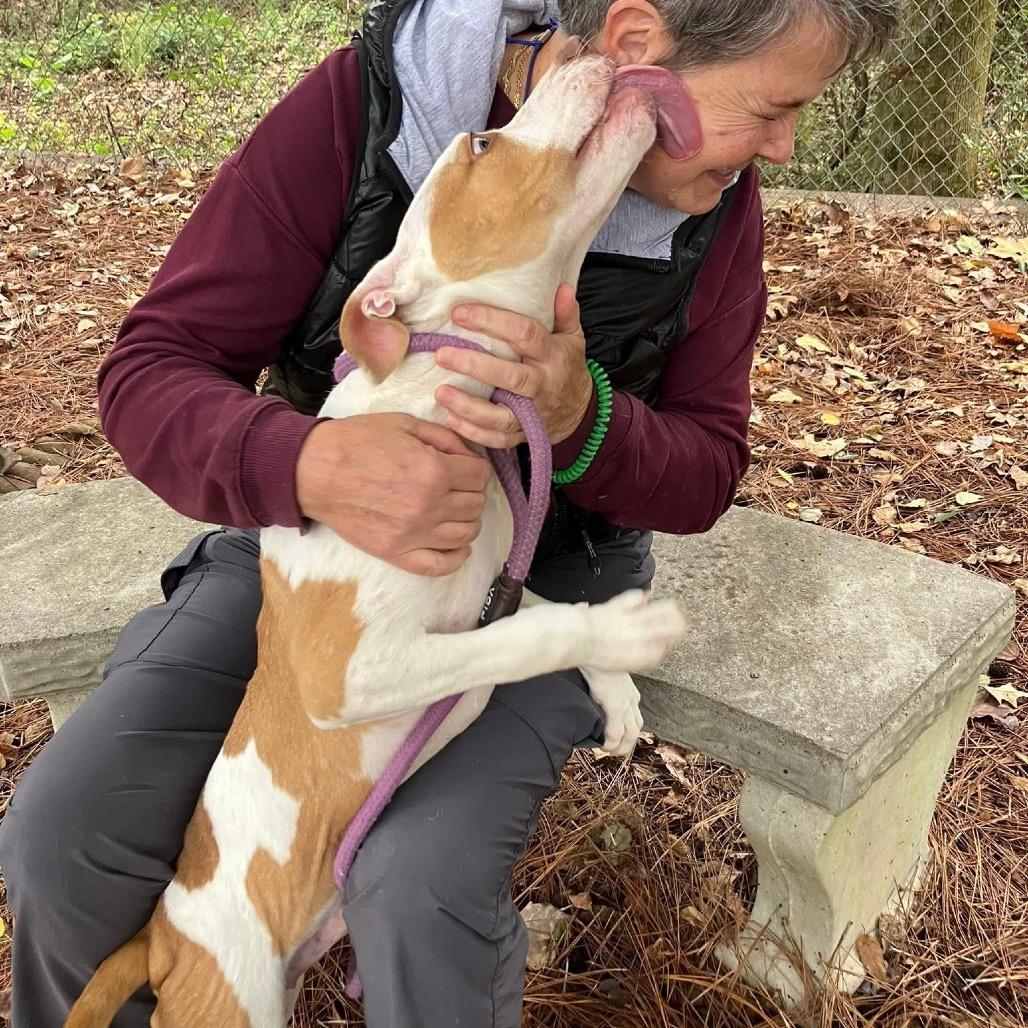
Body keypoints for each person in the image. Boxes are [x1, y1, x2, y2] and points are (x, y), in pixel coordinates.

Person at [0, 1, 900, 1024]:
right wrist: (309, 459)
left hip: (548, 576)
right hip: (317, 552)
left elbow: (706, 470)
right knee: (67, 836)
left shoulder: (716, 210)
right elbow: (151, 368)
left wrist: (580, 415)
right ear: (636, 48)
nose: (781, 150)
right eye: (772, 109)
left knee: (417, 885)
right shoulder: (364, 112)